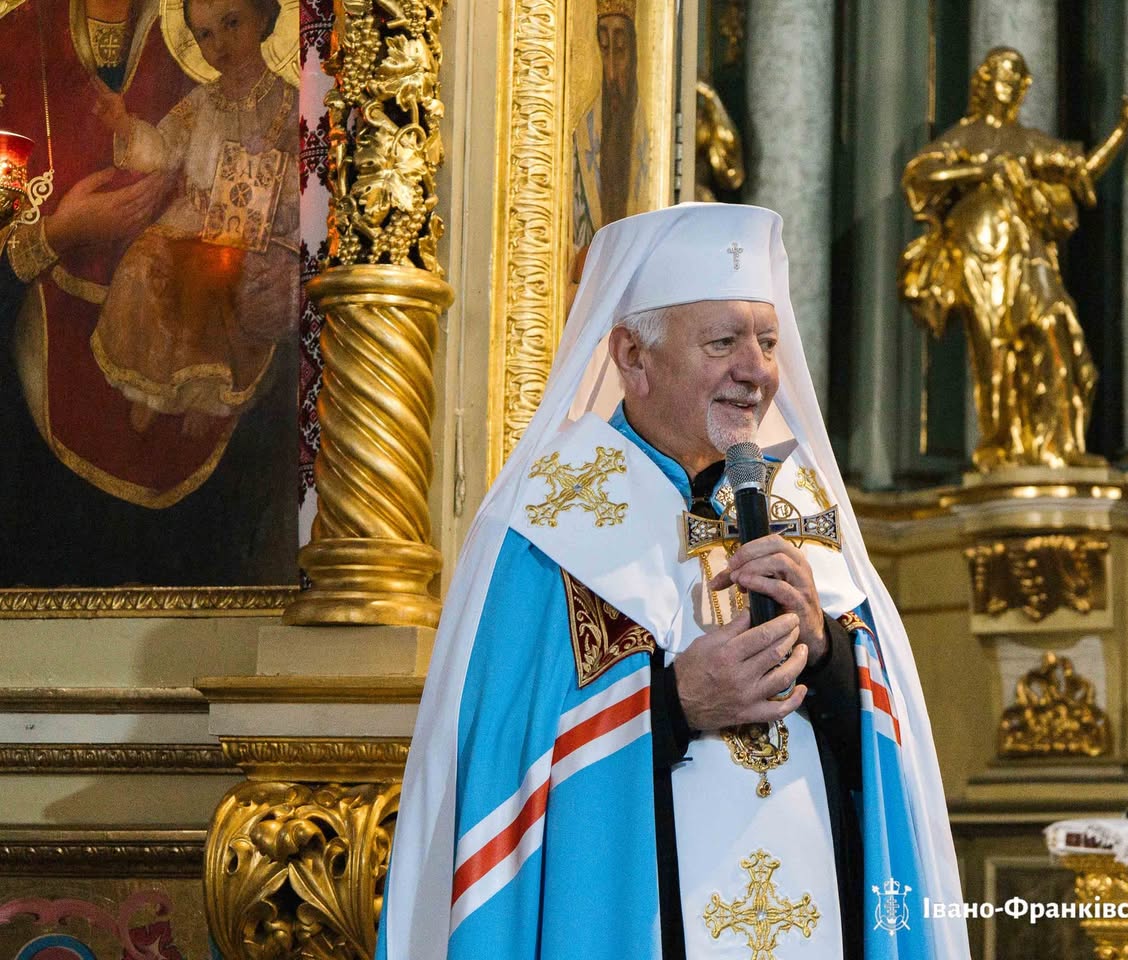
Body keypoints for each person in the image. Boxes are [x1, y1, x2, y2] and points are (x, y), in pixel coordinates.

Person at [379, 203, 968, 960]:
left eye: (767, 343)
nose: (755, 371)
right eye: (723, 343)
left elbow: (889, 762)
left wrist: (822, 650)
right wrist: (674, 704)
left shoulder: (801, 507)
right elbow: (503, 767)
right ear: (633, 356)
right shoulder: (545, 527)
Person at [899, 47, 1128, 471]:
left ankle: (1056, 445)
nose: (1009, 85)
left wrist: (1123, 128)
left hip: (1027, 252)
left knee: (1056, 325)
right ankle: (1001, 447)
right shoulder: (965, 136)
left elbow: (1082, 170)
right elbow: (919, 175)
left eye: (1017, 78)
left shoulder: (1029, 141)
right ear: (983, 82)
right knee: (993, 348)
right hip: (978, 253)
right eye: (1001, 75)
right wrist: (981, 171)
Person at [91, 0, 300, 438]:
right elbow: (163, 148)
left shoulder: (289, 103)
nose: (219, 44)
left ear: (263, 18)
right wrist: (126, 126)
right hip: (193, 219)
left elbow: (306, 182)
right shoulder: (200, 101)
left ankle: (210, 393)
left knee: (217, 280)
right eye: (205, 35)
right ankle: (154, 387)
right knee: (141, 265)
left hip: (256, 226)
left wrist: (275, 190)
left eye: (231, 23)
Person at [570, 0, 653, 253]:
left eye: (621, 49)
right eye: (605, 49)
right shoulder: (583, 135)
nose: (613, 71)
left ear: (635, 54)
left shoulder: (651, 134)